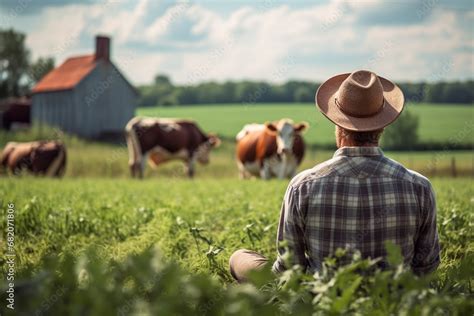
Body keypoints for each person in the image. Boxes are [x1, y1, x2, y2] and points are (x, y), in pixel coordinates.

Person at [229, 70, 440, 283]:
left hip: (320, 299)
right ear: (382, 126)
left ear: (338, 125)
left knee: (240, 258)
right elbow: (426, 266)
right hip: (396, 301)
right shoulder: (420, 187)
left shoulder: (302, 186)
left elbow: (290, 267)